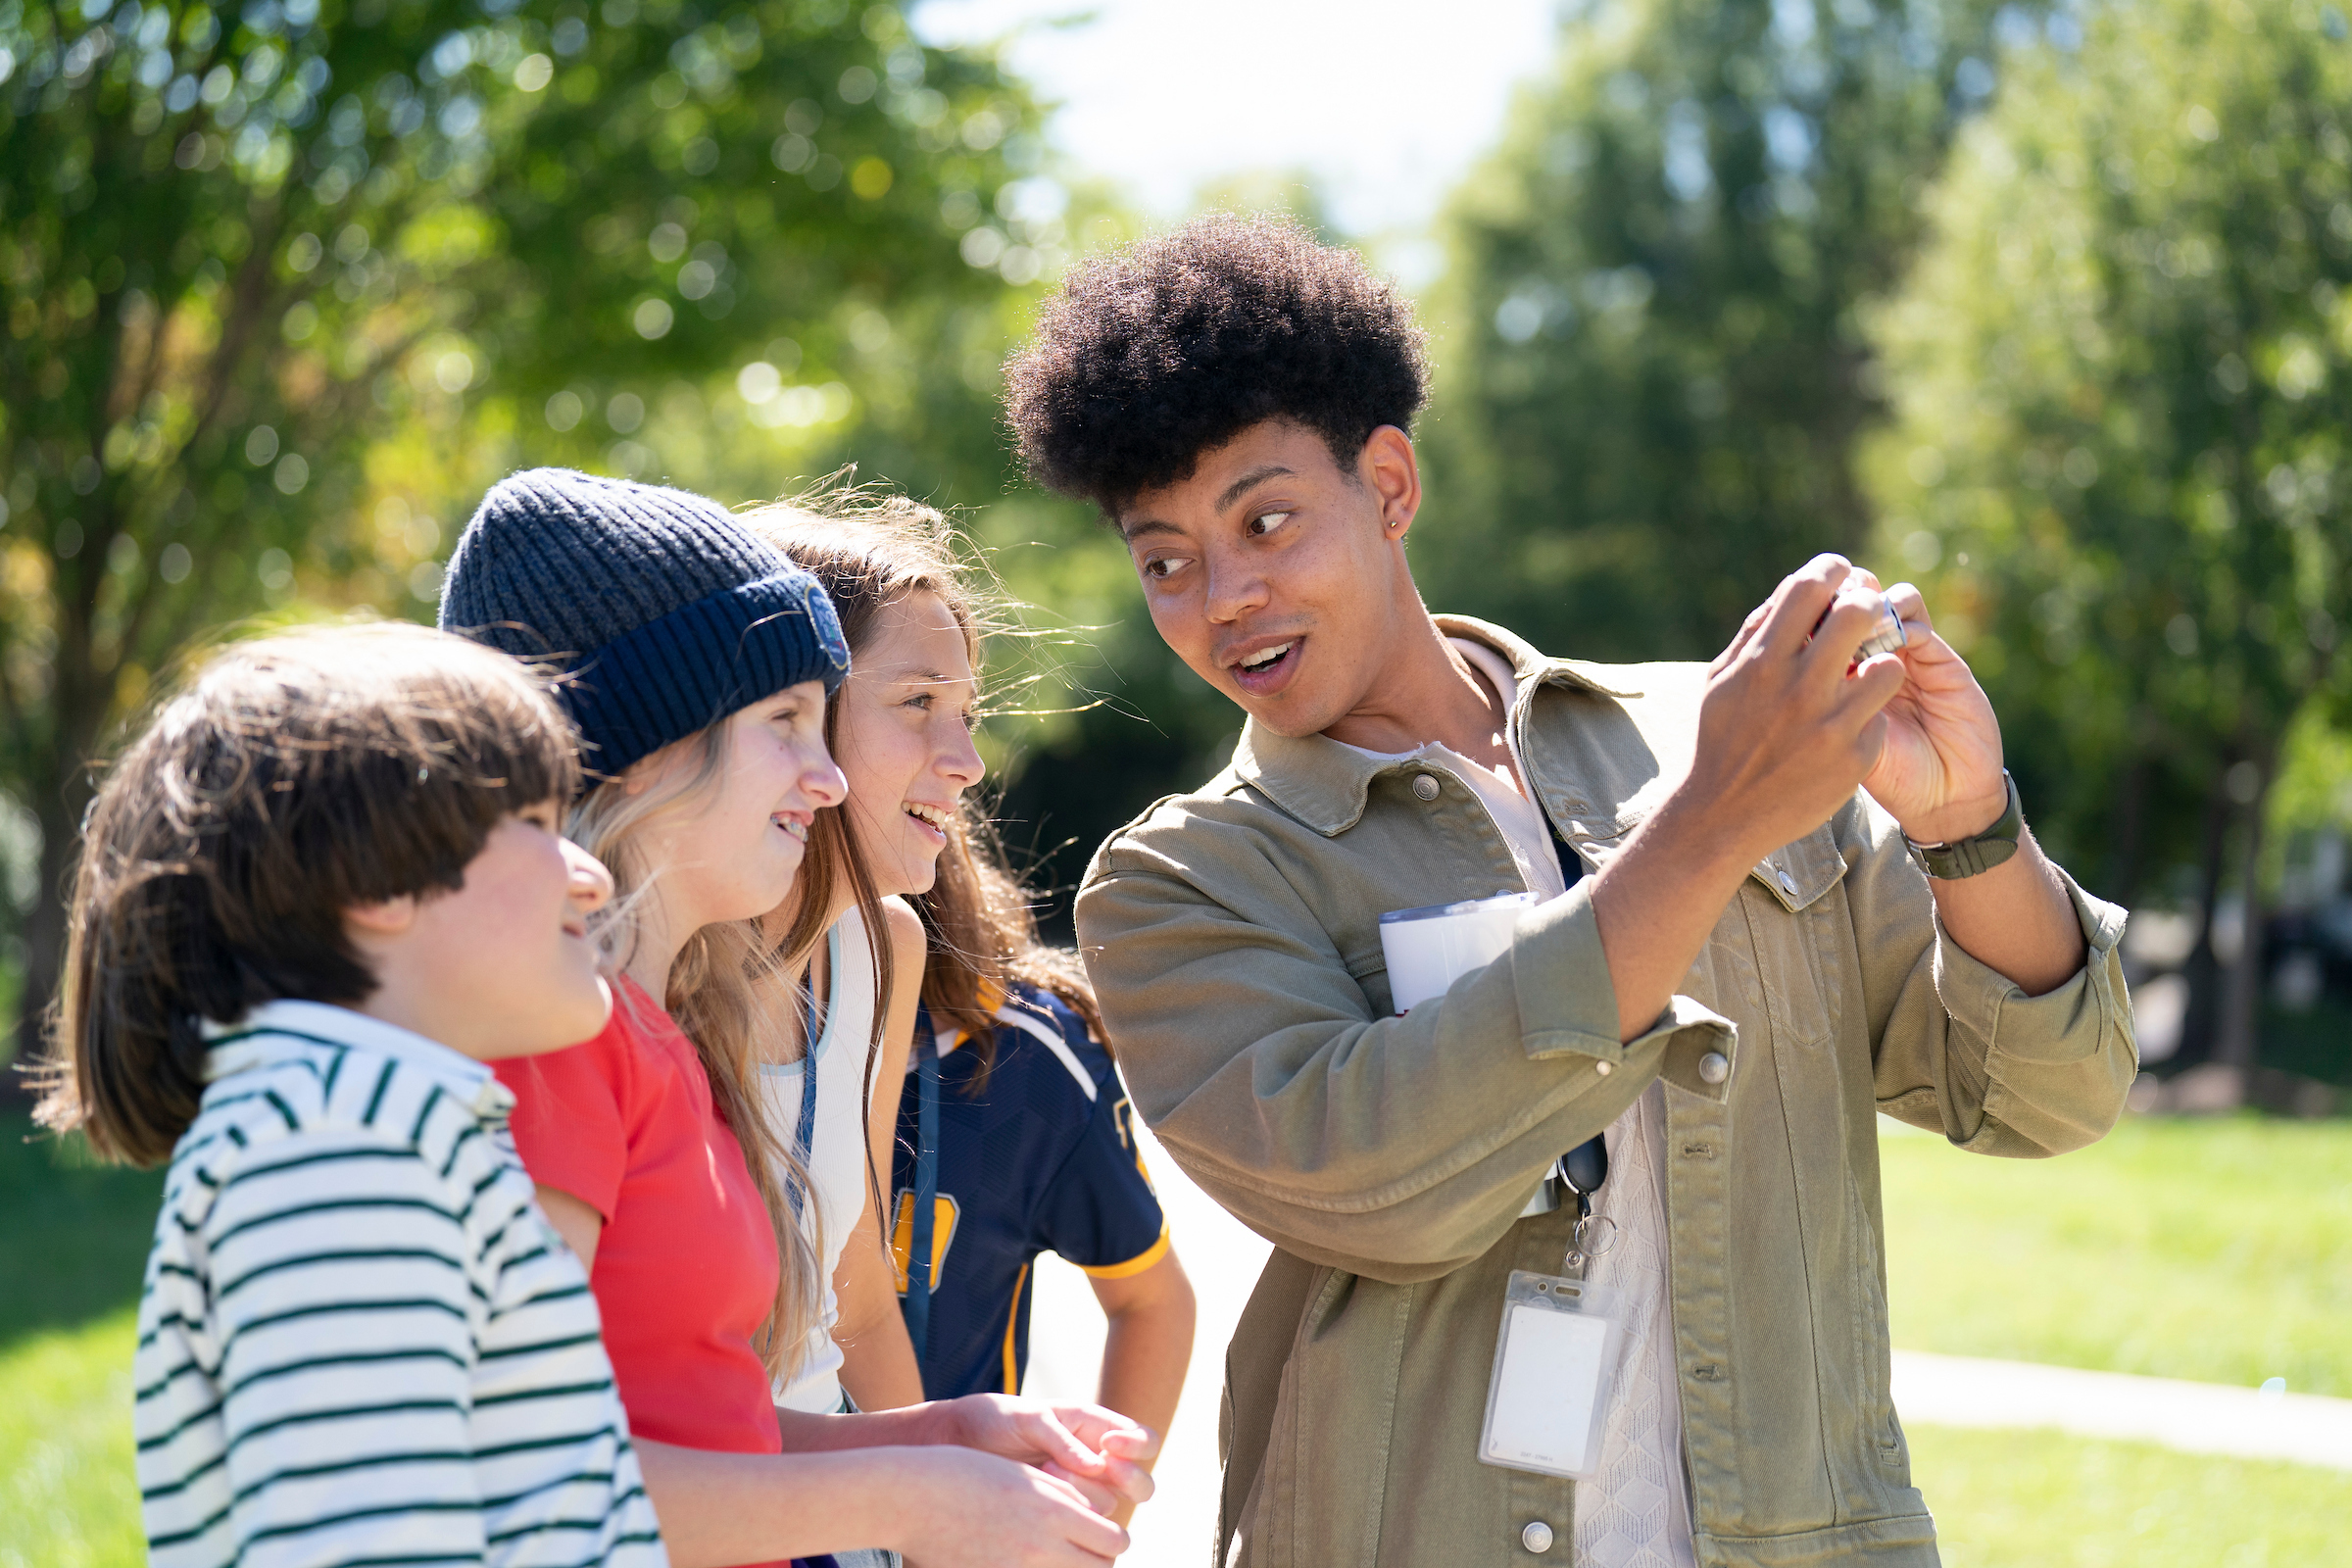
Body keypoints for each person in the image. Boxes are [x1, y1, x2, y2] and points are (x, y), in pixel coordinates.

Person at [1004, 216, 2138, 1568]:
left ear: (1390, 484)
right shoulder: (1181, 884)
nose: (1227, 596)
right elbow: (1384, 1188)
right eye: (1167, 563)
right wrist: (1714, 823)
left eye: (1267, 520)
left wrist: (1967, 829)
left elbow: (2045, 1096)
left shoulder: (1706, 732)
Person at [439, 469, 1152, 1568]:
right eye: (785, 722)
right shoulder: (557, 1040)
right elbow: (530, 1470)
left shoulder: (652, 1038)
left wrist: (945, 1441)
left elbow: (713, 1414)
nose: (823, 779)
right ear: (652, 745)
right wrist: (915, 1501)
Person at [30, 623, 665, 1568]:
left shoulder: (380, 1128)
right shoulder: (338, 1146)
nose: (591, 872)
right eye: (536, 826)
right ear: (383, 881)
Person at [744, 500, 1195, 1519]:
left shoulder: (883, 953)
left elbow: (857, 1303)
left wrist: (931, 1522)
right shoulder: (631, 977)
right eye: (916, 702)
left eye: (968, 712)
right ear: (786, 712)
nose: (969, 759)